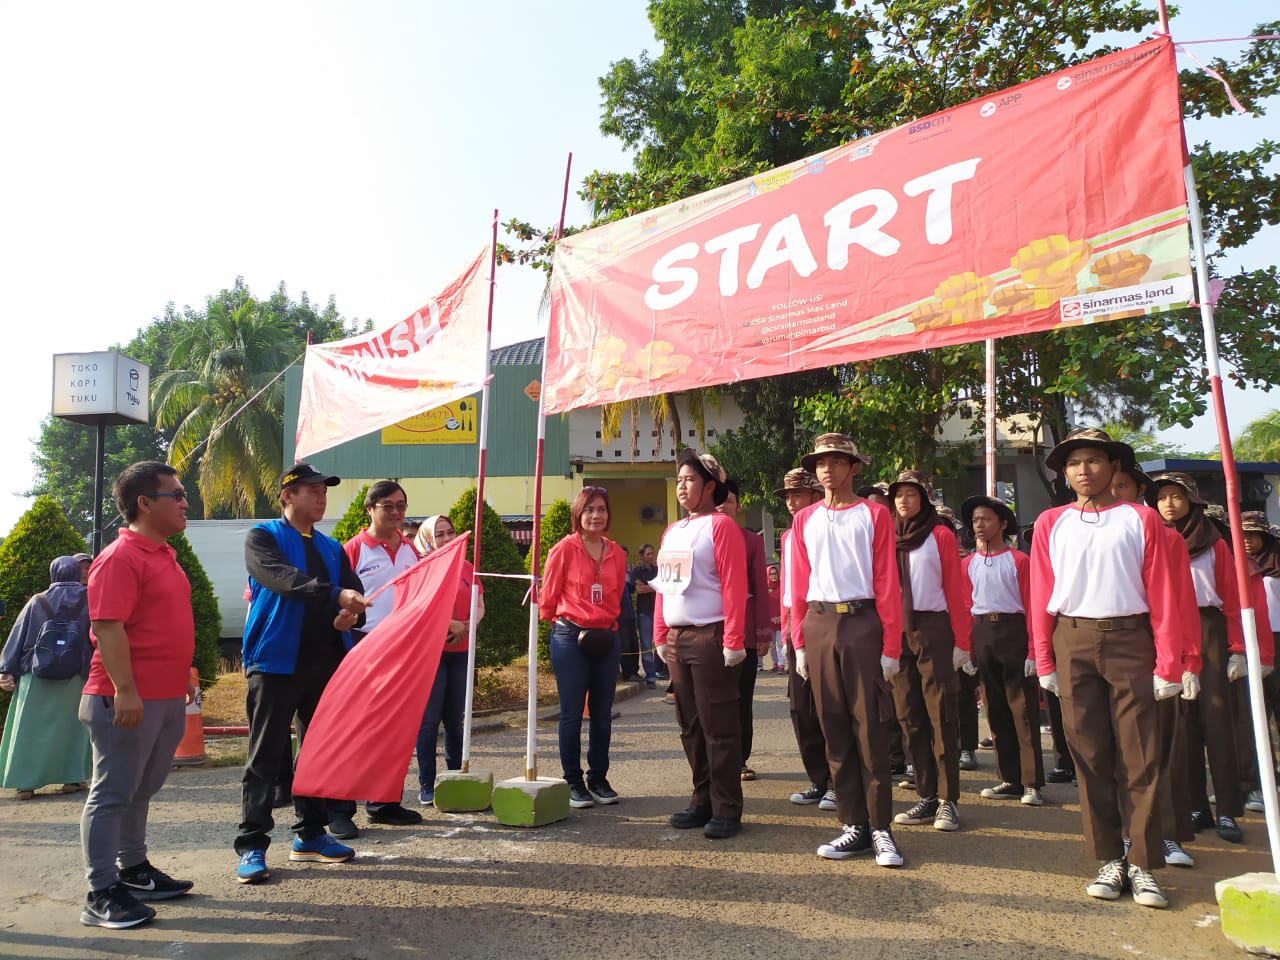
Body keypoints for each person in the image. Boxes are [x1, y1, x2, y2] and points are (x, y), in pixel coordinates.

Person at [1031, 428, 1181, 910]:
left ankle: (1142, 861)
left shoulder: (1140, 519)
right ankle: (1108, 858)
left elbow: (1163, 594)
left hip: (1131, 639)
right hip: (1071, 639)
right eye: (1074, 464)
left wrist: (1169, 661)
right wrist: (1044, 657)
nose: (1083, 471)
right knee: (1090, 755)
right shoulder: (1050, 523)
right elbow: (1040, 594)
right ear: (1064, 473)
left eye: (1094, 461)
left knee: (1141, 754)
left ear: (1112, 467)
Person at [234, 463, 371, 885]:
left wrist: (347, 615)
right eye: (310, 489)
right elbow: (283, 580)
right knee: (266, 755)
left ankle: (310, 835)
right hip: (275, 662)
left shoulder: (333, 548)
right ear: (286, 496)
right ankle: (252, 843)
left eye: (323, 490)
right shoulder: (264, 538)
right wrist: (336, 595)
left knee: (317, 753)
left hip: (324, 663)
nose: (320, 496)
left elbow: (351, 596)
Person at [77, 461, 197, 928]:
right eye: (177, 495)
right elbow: (107, 628)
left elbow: (165, 623)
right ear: (145, 503)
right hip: (124, 698)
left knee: (141, 789)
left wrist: (185, 672)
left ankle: (135, 869)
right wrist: (125, 690)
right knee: (112, 793)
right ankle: (101, 890)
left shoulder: (164, 554)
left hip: (164, 696)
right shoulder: (120, 557)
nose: (186, 502)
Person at [789, 434, 905, 867]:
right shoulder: (804, 521)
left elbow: (887, 582)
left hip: (862, 621)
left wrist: (890, 645)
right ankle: (852, 823)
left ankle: (881, 827)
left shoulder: (874, 515)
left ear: (853, 467)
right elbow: (796, 585)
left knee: (870, 727)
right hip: (818, 623)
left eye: (836, 462)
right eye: (821, 463)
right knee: (833, 726)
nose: (827, 470)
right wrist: (799, 641)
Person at [654, 449, 748, 839]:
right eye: (678, 479)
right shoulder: (672, 531)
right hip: (677, 639)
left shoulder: (721, 526)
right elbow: (664, 587)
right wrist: (660, 633)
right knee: (690, 726)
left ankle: (727, 807)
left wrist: (734, 639)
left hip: (710, 636)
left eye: (690, 479)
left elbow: (734, 585)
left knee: (719, 726)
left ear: (711, 487)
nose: (682, 486)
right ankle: (701, 799)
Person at [1111, 463, 1200, 868]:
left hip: (1157, 654)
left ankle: (1166, 834)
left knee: (1158, 749)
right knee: (1115, 752)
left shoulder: (1167, 539)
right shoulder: (1087, 535)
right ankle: (1124, 838)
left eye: (1123, 486)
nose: (1113, 493)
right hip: (1108, 653)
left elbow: (1181, 604)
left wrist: (1186, 661)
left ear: (1139, 490)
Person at [1152, 472, 1247, 844]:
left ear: (1192, 500)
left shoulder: (1214, 542)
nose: (1169, 504)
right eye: (1162, 497)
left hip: (1208, 630)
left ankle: (1227, 807)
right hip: (1166, 629)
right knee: (1180, 724)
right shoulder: (1153, 538)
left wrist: (1237, 648)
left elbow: (1233, 597)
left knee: (1217, 719)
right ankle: (1194, 805)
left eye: (1177, 496)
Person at [888, 470, 974, 833]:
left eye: (912, 494)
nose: (904, 501)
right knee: (909, 716)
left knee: (941, 714)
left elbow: (956, 589)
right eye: (899, 495)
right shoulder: (888, 538)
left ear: (924, 498)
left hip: (934, 627)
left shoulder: (938, 534)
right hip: (898, 630)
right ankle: (926, 795)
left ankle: (948, 799)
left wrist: (962, 642)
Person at [338, 480, 424, 827]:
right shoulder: (352, 550)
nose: (395, 512)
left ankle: (384, 801)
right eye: (387, 505)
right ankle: (341, 810)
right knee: (357, 727)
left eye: (400, 505)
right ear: (369, 509)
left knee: (395, 728)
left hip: (402, 647)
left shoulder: (410, 550)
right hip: (363, 645)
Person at [539, 487, 628, 809]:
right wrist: (564, 624)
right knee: (571, 714)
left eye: (602, 509)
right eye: (589, 509)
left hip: (606, 637)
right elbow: (547, 598)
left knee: (603, 713)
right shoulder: (564, 549)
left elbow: (618, 595)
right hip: (570, 637)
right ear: (578, 513)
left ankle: (599, 777)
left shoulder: (617, 552)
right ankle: (573, 781)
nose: (596, 515)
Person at [961, 495, 1044, 807]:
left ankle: (1032, 782)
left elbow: (1033, 605)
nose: (979, 525)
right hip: (982, 632)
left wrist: (1034, 650)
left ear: (1002, 524)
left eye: (985, 519)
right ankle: (1009, 778)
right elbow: (964, 607)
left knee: (1022, 710)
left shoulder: (1020, 561)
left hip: (1013, 632)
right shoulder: (967, 564)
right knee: (994, 709)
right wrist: (965, 648)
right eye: (975, 521)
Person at [0, 556, 93, 800]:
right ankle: (72, 779)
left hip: (37, 673)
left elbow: (17, 637)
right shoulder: (91, 598)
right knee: (73, 730)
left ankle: (25, 785)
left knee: (29, 731)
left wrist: (6, 669)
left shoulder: (37, 601)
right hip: (76, 673)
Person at [774, 467, 835, 812]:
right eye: (788, 497)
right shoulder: (787, 536)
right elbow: (789, 589)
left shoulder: (823, 524)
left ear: (814, 494)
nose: (792, 503)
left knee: (830, 708)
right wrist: (787, 631)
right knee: (802, 708)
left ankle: (839, 782)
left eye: (798, 495)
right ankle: (818, 778)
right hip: (796, 624)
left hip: (824, 618)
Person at [413, 513, 484, 805]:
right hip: (431, 654)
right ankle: (426, 783)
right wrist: (447, 626)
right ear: (428, 538)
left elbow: (479, 603)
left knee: (455, 720)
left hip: (462, 651)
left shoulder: (467, 567)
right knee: (429, 721)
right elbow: (418, 609)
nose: (446, 538)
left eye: (449, 532)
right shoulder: (421, 568)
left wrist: (467, 626)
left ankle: (454, 776)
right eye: (439, 533)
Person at [718, 479, 771, 782]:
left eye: (729, 501)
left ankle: (739, 759)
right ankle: (715, 760)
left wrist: (762, 633)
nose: (722, 506)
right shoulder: (699, 536)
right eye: (718, 500)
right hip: (708, 632)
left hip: (744, 636)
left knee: (741, 698)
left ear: (738, 506)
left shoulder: (751, 541)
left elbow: (761, 591)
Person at [1238, 511, 1280, 813]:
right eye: (1242, 535)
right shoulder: (1240, 570)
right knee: (1255, 716)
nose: (1248, 541)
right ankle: (1261, 781)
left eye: (1253, 534)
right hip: (1252, 646)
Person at [632, 544, 665, 686]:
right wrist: (654, 587)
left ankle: (661, 670)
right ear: (641, 556)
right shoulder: (637, 571)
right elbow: (639, 590)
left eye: (652, 553)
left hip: (658, 610)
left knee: (659, 641)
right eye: (648, 554)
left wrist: (648, 586)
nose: (651, 556)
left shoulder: (658, 570)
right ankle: (650, 676)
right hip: (644, 612)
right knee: (646, 644)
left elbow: (662, 585)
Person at [617, 546, 643, 683]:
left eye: (625, 556)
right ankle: (626, 672)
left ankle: (634, 671)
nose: (624, 559)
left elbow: (632, 590)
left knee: (634, 643)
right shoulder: (612, 571)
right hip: (619, 615)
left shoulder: (627, 573)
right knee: (625, 644)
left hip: (630, 613)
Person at [766, 564, 784, 672]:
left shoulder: (782, 587)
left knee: (780, 643)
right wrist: (770, 618)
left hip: (781, 619)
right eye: (771, 574)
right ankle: (775, 663)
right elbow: (763, 606)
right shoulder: (765, 588)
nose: (773, 576)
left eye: (775, 573)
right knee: (772, 645)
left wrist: (782, 617)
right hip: (770, 621)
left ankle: (781, 664)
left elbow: (785, 603)